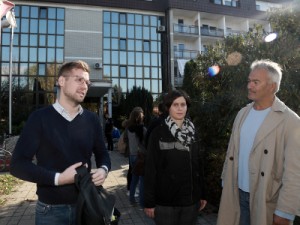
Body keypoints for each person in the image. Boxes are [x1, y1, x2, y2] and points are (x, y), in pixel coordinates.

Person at [10, 60, 111, 225]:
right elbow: (17, 165)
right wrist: (59, 178)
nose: (85, 86)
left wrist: (104, 169)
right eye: (79, 80)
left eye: (87, 82)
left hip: (87, 205)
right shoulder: (39, 119)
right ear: (61, 81)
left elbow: (102, 154)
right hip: (51, 211)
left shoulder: (92, 120)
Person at [217, 59, 300, 225]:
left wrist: (285, 211)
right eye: (249, 81)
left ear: (273, 86)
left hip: (266, 199)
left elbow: (295, 172)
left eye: (256, 82)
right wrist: (226, 180)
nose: (249, 86)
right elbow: (231, 152)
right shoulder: (242, 113)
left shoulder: (290, 121)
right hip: (236, 194)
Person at [144, 90, 207, 225]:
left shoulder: (193, 132)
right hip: (165, 204)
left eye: (183, 105)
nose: (180, 108)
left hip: (190, 202)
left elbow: (199, 165)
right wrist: (149, 202)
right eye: (175, 105)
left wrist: (202, 194)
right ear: (168, 107)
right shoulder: (158, 132)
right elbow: (150, 168)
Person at [126, 107, 147, 207]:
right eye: (142, 115)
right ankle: (142, 203)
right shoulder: (142, 129)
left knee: (134, 179)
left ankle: (132, 200)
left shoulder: (128, 129)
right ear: (139, 117)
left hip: (132, 156)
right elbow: (147, 142)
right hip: (141, 156)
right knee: (142, 180)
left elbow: (126, 141)